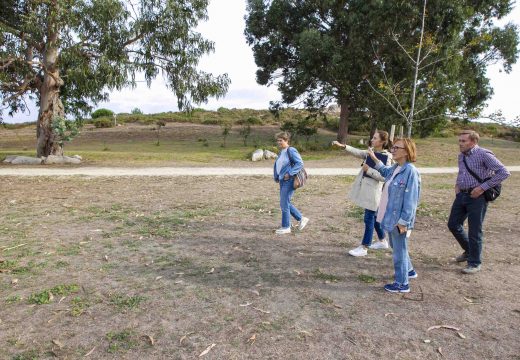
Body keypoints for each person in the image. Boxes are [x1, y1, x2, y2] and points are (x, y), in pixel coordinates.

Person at [447, 130, 510, 274]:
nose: (460, 143)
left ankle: (474, 263)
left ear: (473, 142)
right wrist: (457, 186)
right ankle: (469, 251)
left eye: (464, 141)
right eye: (459, 141)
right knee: (453, 224)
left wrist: (482, 188)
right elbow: (462, 172)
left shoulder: (483, 154)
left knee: (475, 230)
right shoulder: (461, 156)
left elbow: (504, 172)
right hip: (462, 195)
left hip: (477, 198)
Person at [365, 138, 421, 293]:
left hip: (399, 220)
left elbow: (411, 200)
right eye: (393, 147)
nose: (393, 149)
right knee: (399, 247)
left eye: (397, 148)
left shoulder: (410, 171)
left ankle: (402, 284)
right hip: (390, 217)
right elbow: (384, 171)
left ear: (407, 151)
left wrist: (404, 222)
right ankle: (409, 271)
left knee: (399, 251)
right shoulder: (397, 167)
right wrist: (375, 159)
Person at [332, 130, 393, 257]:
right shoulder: (371, 152)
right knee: (374, 218)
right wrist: (343, 146)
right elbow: (358, 152)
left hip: (374, 193)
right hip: (368, 191)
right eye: (373, 137)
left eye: (375, 138)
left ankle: (364, 247)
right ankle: (382, 241)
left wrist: (369, 170)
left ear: (382, 142)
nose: (372, 140)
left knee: (369, 218)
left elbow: (385, 177)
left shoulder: (386, 157)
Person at [273, 132, 309, 234]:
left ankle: (286, 227)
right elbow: (278, 165)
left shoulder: (291, 150)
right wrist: (276, 176)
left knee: (284, 203)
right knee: (285, 203)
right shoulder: (282, 152)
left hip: (289, 180)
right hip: (282, 180)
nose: (279, 142)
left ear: (286, 140)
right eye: (278, 140)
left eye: (281, 140)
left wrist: (289, 173)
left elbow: (299, 163)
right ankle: (301, 218)